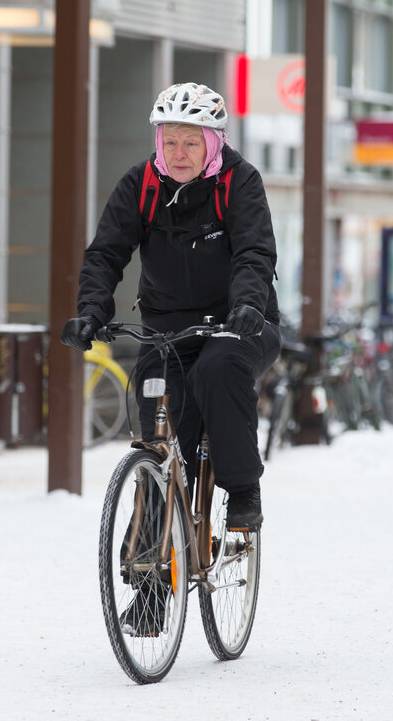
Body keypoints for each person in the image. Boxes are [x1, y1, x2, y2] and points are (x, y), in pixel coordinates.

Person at [59, 82, 281, 534]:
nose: (179, 153)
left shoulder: (239, 181)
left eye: (191, 142)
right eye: (170, 141)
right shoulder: (140, 184)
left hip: (239, 323)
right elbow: (105, 253)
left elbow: (254, 253)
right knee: (161, 444)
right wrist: (91, 311)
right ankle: (151, 580)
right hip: (167, 330)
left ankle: (242, 489)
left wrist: (247, 305)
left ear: (213, 142)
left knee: (217, 371)